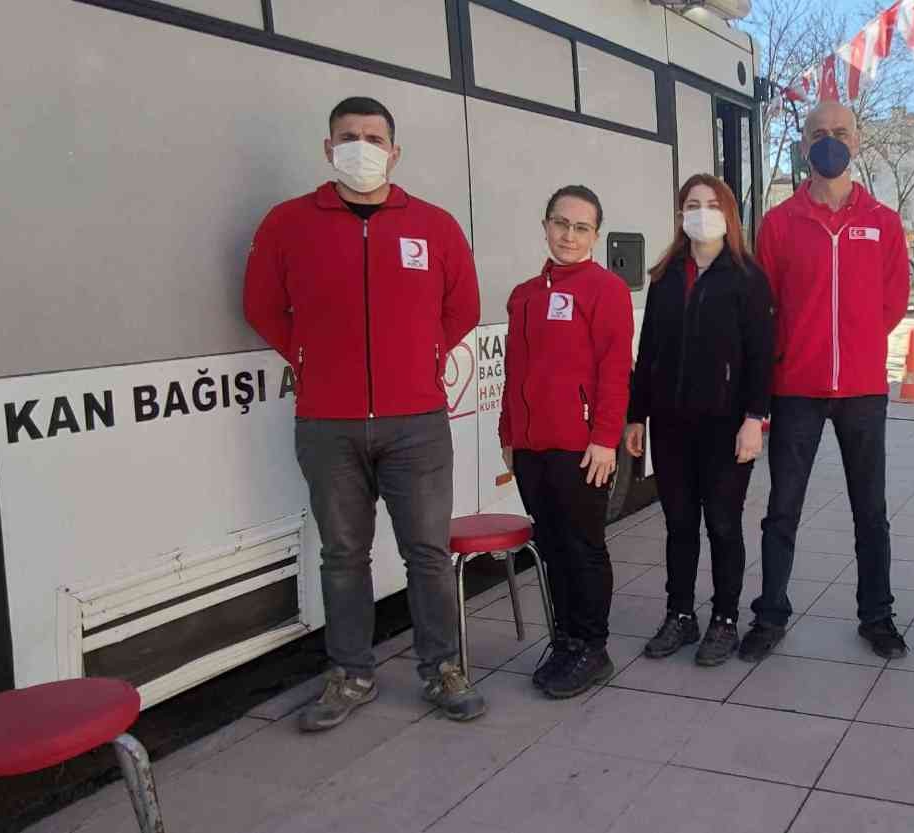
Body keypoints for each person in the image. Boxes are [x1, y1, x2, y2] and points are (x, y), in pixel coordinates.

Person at [243, 96, 485, 731]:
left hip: (417, 423)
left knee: (427, 553)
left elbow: (461, 307)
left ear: (394, 152)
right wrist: (304, 354)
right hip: (328, 423)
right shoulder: (288, 223)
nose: (361, 146)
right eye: (348, 136)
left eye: (373, 137)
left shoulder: (432, 225)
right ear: (328, 149)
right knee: (343, 554)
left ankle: (442, 670)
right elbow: (263, 305)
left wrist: (423, 355)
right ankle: (350, 674)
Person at [741, 100, 911, 662]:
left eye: (840, 132)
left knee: (871, 510)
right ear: (805, 143)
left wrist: (856, 345)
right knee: (783, 508)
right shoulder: (780, 223)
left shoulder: (883, 222)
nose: (829, 141)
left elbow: (892, 303)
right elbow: (767, 308)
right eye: (819, 133)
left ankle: (877, 615)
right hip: (797, 389)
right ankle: (769, 614)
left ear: (856, 141)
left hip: (862, 390)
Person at [624, 174, 774, 666]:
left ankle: (725, 620)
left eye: (712, 204)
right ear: (680, 213)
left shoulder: (748, 277)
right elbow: (648, 352)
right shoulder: (666, 275)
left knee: (725, 526)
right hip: (671, 426)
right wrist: (636, 415)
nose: (701, 212)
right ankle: (680, 615)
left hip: (727, 426)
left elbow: (760, 356)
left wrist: (755, 418)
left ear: (728, 214)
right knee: (680, 524)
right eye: (692, 204)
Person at [499, 184, 634, 699]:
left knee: (583, 547)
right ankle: (565, 640)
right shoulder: (525, 296)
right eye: (560, 223)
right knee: (553, 546)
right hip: (532, 449)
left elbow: (614, 372)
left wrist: (605, 440)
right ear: (545, 225)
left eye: (581, 227)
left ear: (595, 236)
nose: (569, 235)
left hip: (582, 448)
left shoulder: (606, 291)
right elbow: (515, 374)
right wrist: (508, 434)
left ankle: (592, 647)